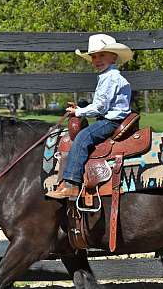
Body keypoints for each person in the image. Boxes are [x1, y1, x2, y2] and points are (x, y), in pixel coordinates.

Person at [46, 33, 133, 199]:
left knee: (82, 138)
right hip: (112, 118)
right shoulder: (109, 76)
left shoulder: (110, 78)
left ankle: (71, 183)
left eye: (101, 55)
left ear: (113, 57)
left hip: (111, 121)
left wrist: (78, 112)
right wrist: (80, 109)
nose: (97, 60)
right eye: (93, 56)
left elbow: (100, 107)